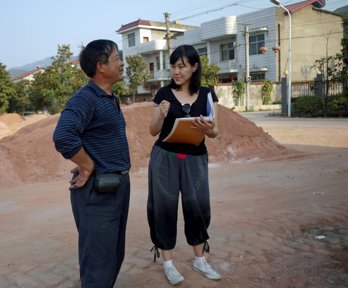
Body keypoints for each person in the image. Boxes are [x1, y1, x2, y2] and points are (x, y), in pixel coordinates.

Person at [53, 39, 131, 288]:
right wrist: (87, 165)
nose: (122, 62)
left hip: (116, 185)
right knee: (98, 262)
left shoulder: (109, 97)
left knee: (112, 255)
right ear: (101, 66)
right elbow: (64, 136)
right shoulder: (85, 98)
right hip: (98, 192)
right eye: (117, 58)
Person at [147, 44, 221, 285]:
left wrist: (209, 129)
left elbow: (215, 132)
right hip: (165, 157)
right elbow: (152, 130)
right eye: (173, 66)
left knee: (197, 206)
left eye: (182, 66)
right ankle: (168, 263)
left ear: (194, 67)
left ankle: (200, 260)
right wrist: (161, 114)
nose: (176, 71)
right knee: (164, 207)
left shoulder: (208, 94)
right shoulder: (163, 95)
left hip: (195, 157)